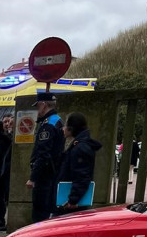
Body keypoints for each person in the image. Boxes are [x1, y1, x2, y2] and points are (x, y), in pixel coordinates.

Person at [26, 93, 65, 222]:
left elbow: (43, 154)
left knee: (40, 212)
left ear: (43, 104)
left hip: (45, 175)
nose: (37, 109)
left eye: (37, 106)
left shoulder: (48, 125)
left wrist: (33, 178)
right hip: (52, 173)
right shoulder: (57, 120)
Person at [56, 113, 102, 215]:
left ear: (71, 128)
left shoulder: (80, 148)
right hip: (69, 198)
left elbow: (82, 175)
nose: (63, 128)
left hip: (72, 203)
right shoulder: (77, 144)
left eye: (65, 125)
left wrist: (73, 199)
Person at [0, 114, 14, 230]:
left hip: (9, 172)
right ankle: (1, 221)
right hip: (2, 172)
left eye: (9, 122)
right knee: (1, 198)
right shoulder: (2, 137)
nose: (7, 124)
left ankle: (5, 222)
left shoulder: (10, 138)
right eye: (5, 122)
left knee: (7, 198)